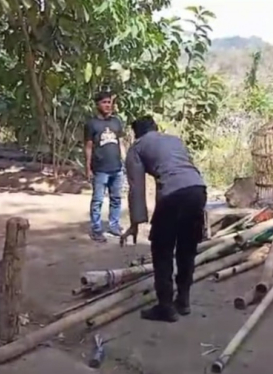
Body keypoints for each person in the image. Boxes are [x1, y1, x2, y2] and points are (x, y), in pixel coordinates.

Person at [120, 115, 206, 322]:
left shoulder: (137, 147)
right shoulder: (174, 140)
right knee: (187, 248)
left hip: (174, 195)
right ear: (156, 128)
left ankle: (165, 306)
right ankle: (183, 301)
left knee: (162, 250)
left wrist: (135, 223)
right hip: (198, 189)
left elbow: (136, 188)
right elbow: (185, 171)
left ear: (136, 133)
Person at [84, 91, 125, 243]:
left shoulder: (116, 122)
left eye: (109, 102)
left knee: (116, 199)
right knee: (98, 200)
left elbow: (120, 143)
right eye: (104, 102)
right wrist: (88, 168)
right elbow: (88, 146)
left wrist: (124, 162)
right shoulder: (92, 124)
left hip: (117, 168)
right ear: (97, 105)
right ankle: (96, 229)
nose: (108, 105)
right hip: (100, 169)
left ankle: (114, 226)